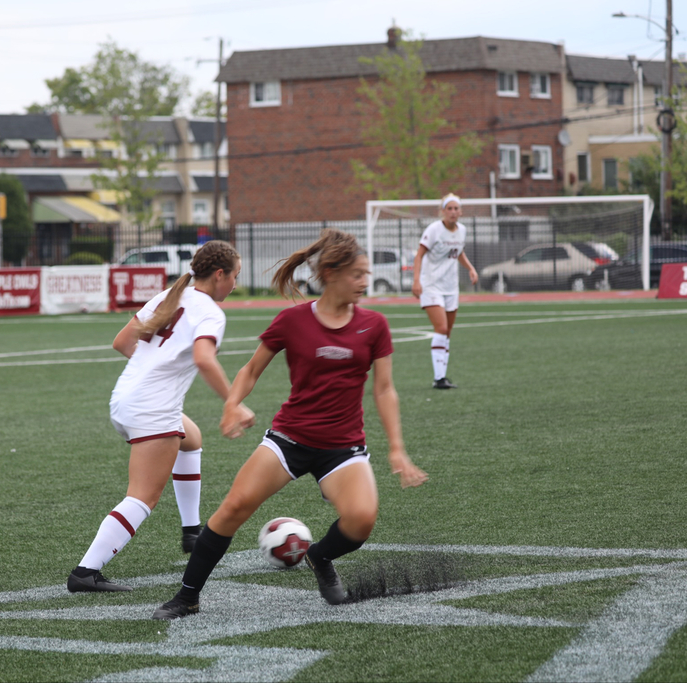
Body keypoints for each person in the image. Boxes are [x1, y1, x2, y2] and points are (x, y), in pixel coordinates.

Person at [152, 229, 427, 619]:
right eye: (357, 274)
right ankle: (187, 596)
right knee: (233, 507)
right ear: (330, 274)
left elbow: (384, 390)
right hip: (289, 439)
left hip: (343, 447)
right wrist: (232, 404)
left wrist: (397, 448)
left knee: (362, 520)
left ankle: (319, 556)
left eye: (366, 274)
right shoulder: (292, 320)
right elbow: (250, 370)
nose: (365, 281)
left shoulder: (374, 325)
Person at [67, 240, 253, 593]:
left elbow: (122, 342)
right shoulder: (211, 312)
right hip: (152, 409)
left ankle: (191, 532)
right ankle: (85, 572)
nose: (235, 284)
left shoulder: (170, 295)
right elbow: (204, 359)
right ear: (219, 274)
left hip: (125, 398)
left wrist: (153, 366)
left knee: (191, 438)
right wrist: (233, 402)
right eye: (235, 276)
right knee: (142, 498)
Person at [410, 194, 479, 389]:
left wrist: (470, 268)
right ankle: (439, 378)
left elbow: (458, 252)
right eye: (449, 208)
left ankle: (442, 377)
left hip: (451, 288)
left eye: (456, 208)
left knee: (447, 332)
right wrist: (416, 280)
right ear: (442, 211)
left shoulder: (462, 230)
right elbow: (419, 255)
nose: (453, 212)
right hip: (431, 285)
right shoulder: (434, 229)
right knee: (440, 328)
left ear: (461, 211)